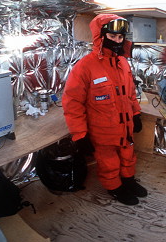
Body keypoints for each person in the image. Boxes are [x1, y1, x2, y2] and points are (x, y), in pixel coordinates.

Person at [62, 14, 147, 205]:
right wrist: (80, 135)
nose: (117, 41)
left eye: (120, 37)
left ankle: (128, 181)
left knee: (128, 156)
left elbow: (130, 93)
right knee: (109, 164)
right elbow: (72, 102)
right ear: (100, 36)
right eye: (112, 37)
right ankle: (115, 188)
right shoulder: (85, 67)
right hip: (102, 132)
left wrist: (136, 114)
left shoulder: (122, 63)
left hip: (125, 127)